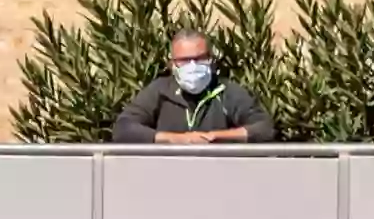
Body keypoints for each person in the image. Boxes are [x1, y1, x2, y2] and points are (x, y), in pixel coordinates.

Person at [112, 30, 278, 144]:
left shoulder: (227, 91)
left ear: (211, 60)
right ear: (172, 64)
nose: (193, 65)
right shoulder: (159, 91)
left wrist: (214, 138)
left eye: (200, 58)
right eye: (184, 60)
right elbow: (124, 128)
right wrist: (176, 139)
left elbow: (264, 128)